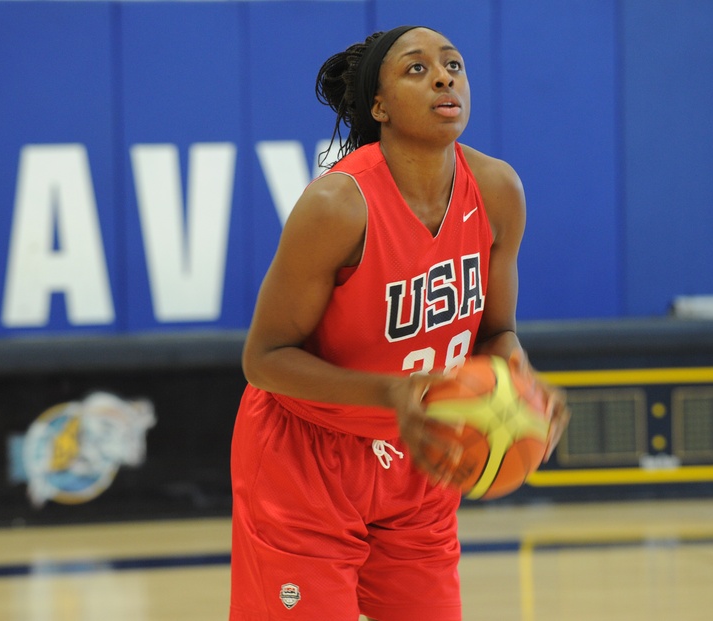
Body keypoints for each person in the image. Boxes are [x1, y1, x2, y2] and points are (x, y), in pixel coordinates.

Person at [229, 25, 570, 621]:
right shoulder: (338, 206)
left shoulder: (497, 190)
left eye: (454, 65)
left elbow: (495, 331)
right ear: (379, 107)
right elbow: (264, 358)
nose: (444, 77)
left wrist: (520, 383)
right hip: (306, 462)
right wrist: (394, 392)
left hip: (420, 455)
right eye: (417, 68)